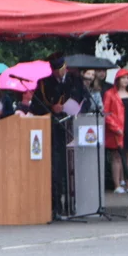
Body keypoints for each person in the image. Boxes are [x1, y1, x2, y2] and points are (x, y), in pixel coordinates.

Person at [31, 53, 73, 214]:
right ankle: (55, 205)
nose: (64, 71)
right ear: (54, 70)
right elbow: (37, 106)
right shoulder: (44, 84)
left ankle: (68, 205)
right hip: (50, 129)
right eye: (61, 69)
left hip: (67, 127)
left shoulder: (70, 81)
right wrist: (51, 109)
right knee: (54, 169)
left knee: (64, 168)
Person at [103, 68, 128, 194]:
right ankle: (117, 185)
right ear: (117, 80)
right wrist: (115, 127)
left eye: (127, 78)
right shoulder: (110, 94)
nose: (125, 80)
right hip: (117, 128)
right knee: (117, 157)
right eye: (123, 78)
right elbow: (106, 113)